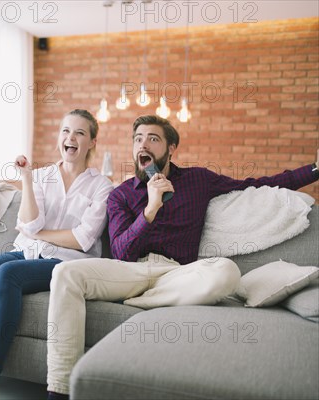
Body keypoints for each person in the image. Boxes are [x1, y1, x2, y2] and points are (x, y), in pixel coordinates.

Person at [46, 115, 319, 400]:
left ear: (171, 147)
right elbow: (121, 252)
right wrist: (150, 209)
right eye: (138, 138)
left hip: (177, 274)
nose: (144, 144)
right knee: (65, 273)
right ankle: (59, 392)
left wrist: (314, 170)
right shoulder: (120, 195)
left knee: (226, 271)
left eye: (153, 138)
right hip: (130, 272)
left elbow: (259, 184)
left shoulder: (198, 180)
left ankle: (141, 300)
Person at [0, 109, 113, 400]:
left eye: (80, 133)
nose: (71, 138)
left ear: (92, 142)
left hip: (66, 263)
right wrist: (27, 179)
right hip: (26, 252)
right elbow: (29, 224)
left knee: (8, 275)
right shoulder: (42, 176)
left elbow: (82, 240)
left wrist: (39, 233)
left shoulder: (101, 186)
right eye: (66, 131)